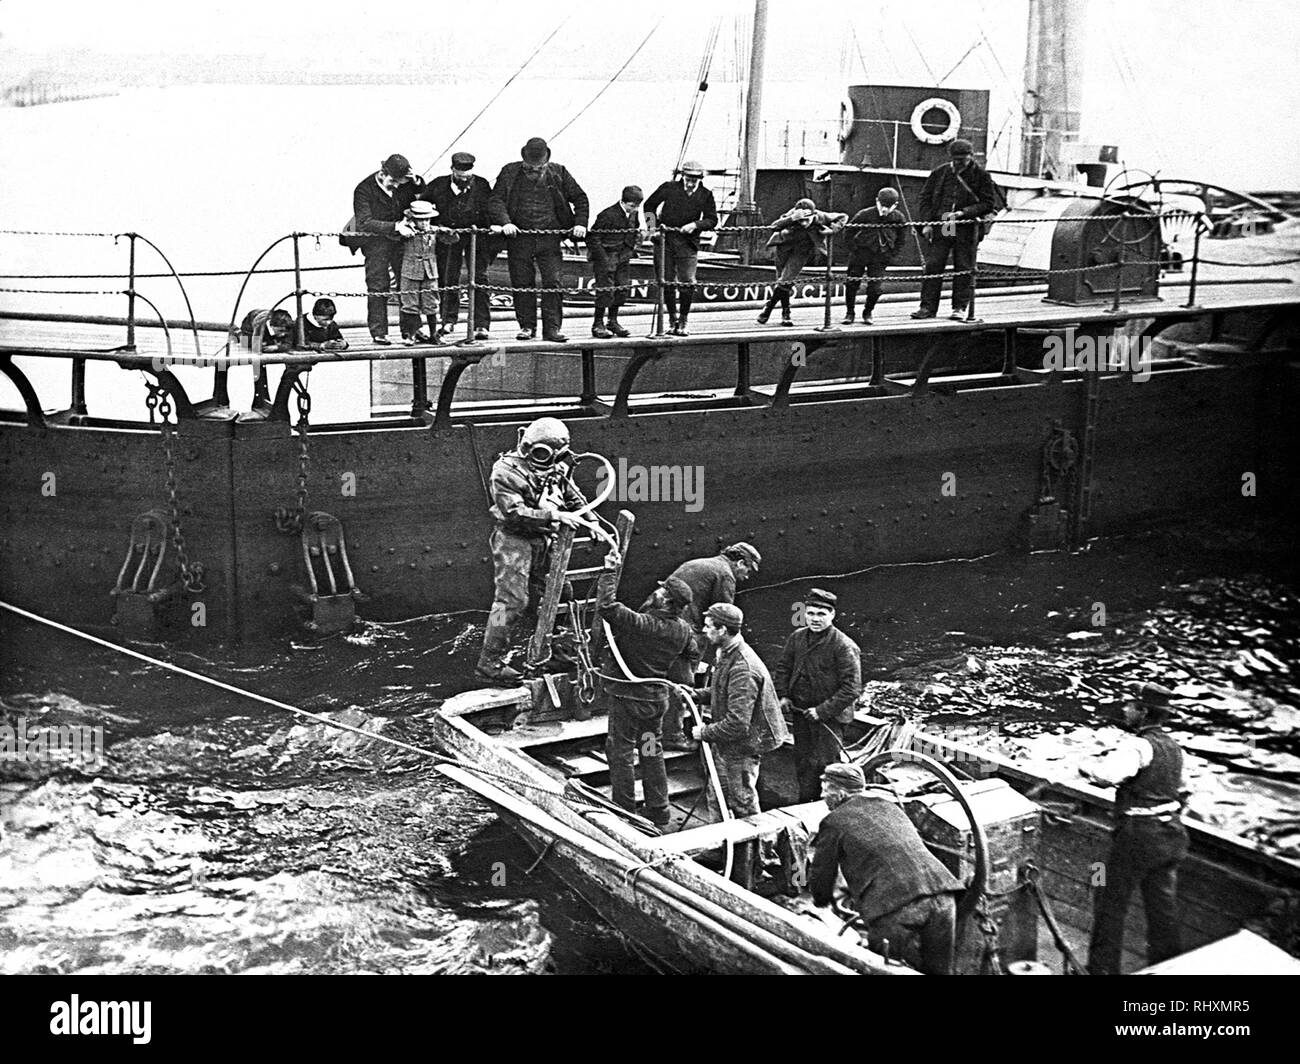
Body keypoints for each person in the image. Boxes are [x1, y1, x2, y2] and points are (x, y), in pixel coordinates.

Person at [810, 762, 964, 975]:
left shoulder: (833, 821)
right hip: (944, 895)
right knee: (939, 972)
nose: (821, 795)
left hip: (896, 906)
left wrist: (820, 900)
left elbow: (821, 872)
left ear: (841, 793)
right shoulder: (890, 806)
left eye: (825, 788)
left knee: (880, 969)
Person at [1081, 682, 1189, 975]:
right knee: (1162, 909)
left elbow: (1106, 775)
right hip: (1172, 835)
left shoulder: (1137, 745)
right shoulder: (1175, 748)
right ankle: (1169, 968)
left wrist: (1085, 765)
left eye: (1130, 705)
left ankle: (1102, 971)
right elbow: (1184, 790)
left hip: (1138, 837)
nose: (1125, 709)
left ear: (1143, 712)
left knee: (1107, 899)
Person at [476, 417, 588, 683]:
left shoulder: (556, 468)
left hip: (543, 540)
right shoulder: (505, 471)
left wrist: (592, 522)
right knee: (509, 603)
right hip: (514, 541)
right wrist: (554, 516)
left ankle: (557, 651)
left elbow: (574, 496)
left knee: (560, 593)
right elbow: (513, 512)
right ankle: (489, 663)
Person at [596, 546, 694, 827]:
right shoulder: (683, 630)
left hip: (628, 698)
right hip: (655, 701)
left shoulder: (644, 624)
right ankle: (660, 810)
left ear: (666, 600)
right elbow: (692, 653)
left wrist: (609, 571)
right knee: (652, 751)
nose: (656, 592)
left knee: (621, 751)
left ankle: (625, 811)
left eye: (661, 592)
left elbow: (607, 607)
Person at [652, 542, 762, 751]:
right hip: (682, 633)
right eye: (747, 570)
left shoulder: (700, 563)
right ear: (739, 562)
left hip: (659, 625)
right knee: (681, 682)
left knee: (659, 679)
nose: (746, 576)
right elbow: (725, 616)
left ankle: (653, 730)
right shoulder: (725, 575)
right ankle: (672, 737)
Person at [691, 602, 789, 822]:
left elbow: (737, 723)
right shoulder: (727, 652)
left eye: (708, 627)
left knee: (742, 801)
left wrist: (704, 732)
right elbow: (723, 690)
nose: (704, 631)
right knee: (717, 794)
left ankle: (757, 854)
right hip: (729, 740)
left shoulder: (743, 668)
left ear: (722, 630)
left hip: (744, 744)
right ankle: (720, 849)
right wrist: (697, 694)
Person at [489, 137, 589, 343]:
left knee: (553, 282)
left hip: (549, 238)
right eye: (531, 164)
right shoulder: (509, 171)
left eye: (538, 164)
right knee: (522, 282)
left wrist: (580, 223)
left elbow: (580, 198)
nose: (535, 167)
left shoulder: (559, 172)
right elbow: (496, 199)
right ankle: (527, 326)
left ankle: (552, 329)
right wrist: (505, 222)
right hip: (519, 237)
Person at [774, 588, 863, 803]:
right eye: (811, 613)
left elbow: (852, 688)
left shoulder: (843, 646)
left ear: (832, 615)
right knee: (803, 762)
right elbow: (784, 668)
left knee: (827, 767)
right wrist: (784, 695)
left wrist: (822, 711)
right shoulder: (797, 638)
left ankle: (828, 806)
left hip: (830, 720)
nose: (815, 619)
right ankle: (805, 804)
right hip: (802, 714)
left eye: (821, 614)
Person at [912, 138, 998, 321]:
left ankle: (959, 307)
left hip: (966, 227)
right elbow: (925, 198)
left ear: (971, 156)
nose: (959, 163)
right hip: (944, 223)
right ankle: (927, 308)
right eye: (956, 160)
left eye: (963, 160)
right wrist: (928, 222)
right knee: (934, 264)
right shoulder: (940, 173)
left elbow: (988, 203)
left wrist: (964, 212)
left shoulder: (982, 176)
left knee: (964, 266)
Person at [422, 151, 497, 341]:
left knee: (480, 278)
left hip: (476, 239)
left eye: (467, 175)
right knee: (448, 277)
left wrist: (490, 230)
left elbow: (489, 210)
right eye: (460, 175)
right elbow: (421, 206)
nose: (464, 179)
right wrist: (437, 227)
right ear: (452, 170)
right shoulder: (438, 185)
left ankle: (481, 324)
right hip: (447, 239)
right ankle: (448, 320)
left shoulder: (481, 185)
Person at [351, 153, 424, 345]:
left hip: (401, 243)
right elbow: (365, 222)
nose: (398, 186)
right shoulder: (364, 190)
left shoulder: (403, 183)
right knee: (378, 285)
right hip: (376, 244)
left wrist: (416, 182)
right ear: (383, 173)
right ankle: (379, 332)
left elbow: (421, 194)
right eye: (394, 181)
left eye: (401, 182)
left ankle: (411, 330)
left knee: (408, 284)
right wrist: (394, 227)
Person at [643, 161, 718, 336]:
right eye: (688, 179)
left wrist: (696, 225)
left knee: (687, 282)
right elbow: (649, 206)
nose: (690, 184)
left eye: (694, 180)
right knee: (667, 281)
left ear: (700, 179)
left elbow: (712, 219)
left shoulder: (705, 195)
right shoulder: (669, 188)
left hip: (688, 243)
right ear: (682, 176)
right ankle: (672, 319)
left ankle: (683, 320)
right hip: (665, 240)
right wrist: (652, 228)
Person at [757, 198, 847, 327]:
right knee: (782, 280)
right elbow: (774, 225)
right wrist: (792, 218)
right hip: (783, 247)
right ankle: (785, 313)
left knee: (785, 280)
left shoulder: (820, 216)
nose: (804, 223)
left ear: (813, 215)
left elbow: (843, 217)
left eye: (807, 220)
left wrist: (832, 229)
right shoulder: (792, 214)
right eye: (801, 221)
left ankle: (768, 308)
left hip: (801, 251)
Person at [588, 185, 645, 339]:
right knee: (605, 290)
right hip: (607, 256)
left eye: (637, 206)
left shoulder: (634, 213)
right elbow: (593, 238)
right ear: (623, 201)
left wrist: (632, 249)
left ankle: (612, 321)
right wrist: (603, 258)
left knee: (622, 289)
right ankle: (598, 324)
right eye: (632, 206)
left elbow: (635, 229)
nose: (634, 209)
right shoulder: (607, 215)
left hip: (623, 257)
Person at [843, 188, 907, 324]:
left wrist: (892, 254)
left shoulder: (898, 218)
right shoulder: (865, 214)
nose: (884, 210)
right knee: (852, 283)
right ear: (877, 201)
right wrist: (854, 249)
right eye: (882, 206)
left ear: (895, 205)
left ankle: (868, 312)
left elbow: (901, 239)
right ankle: (850, 313)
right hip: (861, 253)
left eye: (888, 207)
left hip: (881, 256)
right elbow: (849, 232)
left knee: (876, 288)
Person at [397, 200, 447, 346]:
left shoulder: (434, 230)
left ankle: (434, 334)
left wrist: (445, 231)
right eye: (420, 220)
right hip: (410, 271)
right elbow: (393, 237)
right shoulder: (406, 232)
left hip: (430, 272)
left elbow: (452, 239)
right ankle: (411, 335)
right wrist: (404, 226)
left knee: (431, 302)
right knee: (410, 303)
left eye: (427, 219)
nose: (424, 223)